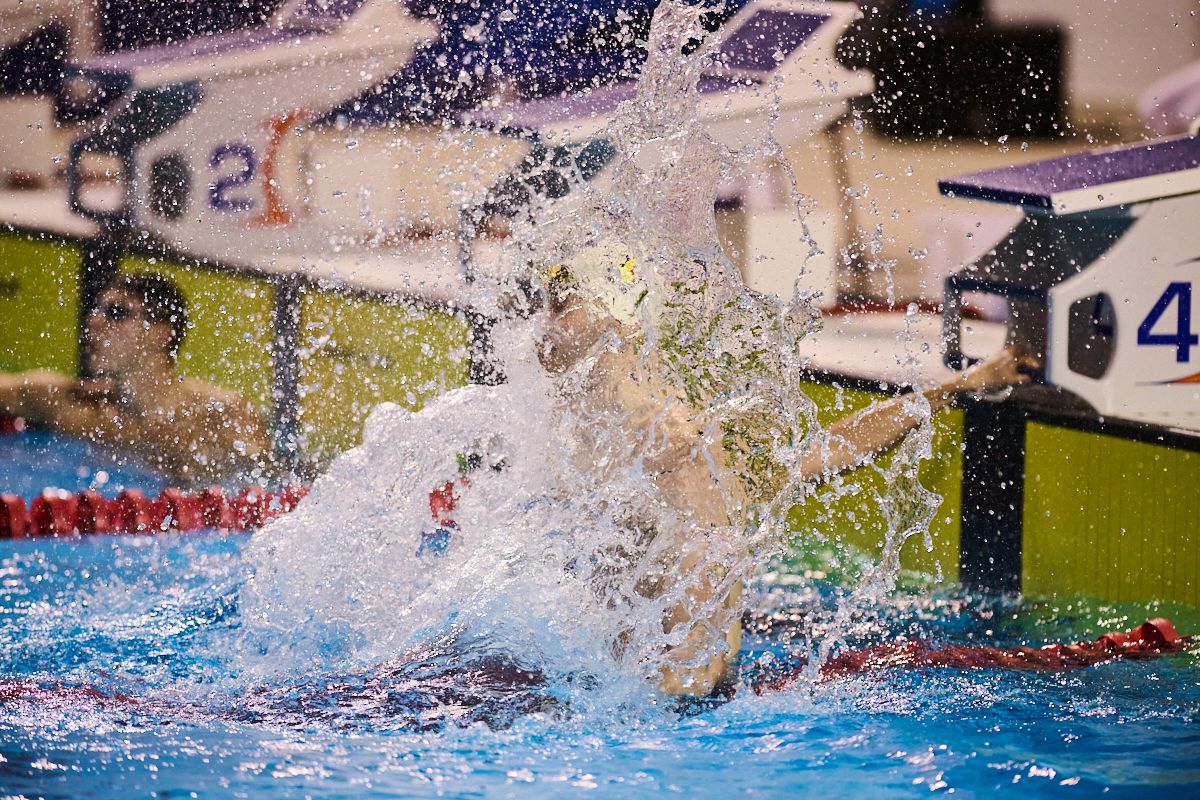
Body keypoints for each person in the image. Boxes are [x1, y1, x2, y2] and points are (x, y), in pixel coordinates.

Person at [533, 247, 1038, 697]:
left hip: (674, 711)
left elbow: (835, 448)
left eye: (561, 304)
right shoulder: (598, 448)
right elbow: (832, 449)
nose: (546, 324)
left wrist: (955, 387)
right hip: (667, 713)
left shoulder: (676, 454)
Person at [0, 273, 273, 484]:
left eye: (117, 313)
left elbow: (271, 486)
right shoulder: (73, 406)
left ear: (162, 334)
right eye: (97, 310)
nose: (94, 321)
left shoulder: (221, 416)